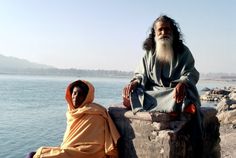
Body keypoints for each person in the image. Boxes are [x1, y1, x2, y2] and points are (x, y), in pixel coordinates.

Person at [122, 15, 204, 157]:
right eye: (160, 30)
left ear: (173, 31)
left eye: (167, 29)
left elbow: (191, 72)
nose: (163, 33)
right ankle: (172, 108)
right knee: (134, 92)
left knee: (184, 95)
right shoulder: (149, 53)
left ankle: (175, 106)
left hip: (174, 91)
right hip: (155, 91)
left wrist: (182, 82)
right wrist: (135, 82)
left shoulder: (183, 51)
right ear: (155, 33)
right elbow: (141, 74)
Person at [28, 80, 120, 158]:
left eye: (80, 95)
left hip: (89, 153)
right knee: (34, 153)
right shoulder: (72, 113)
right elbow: (70, 141)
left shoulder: (96, 113)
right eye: (74, 93)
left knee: (38, 154)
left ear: (86, 97)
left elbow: (97, 145)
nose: (75, 97)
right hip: (72, 150)